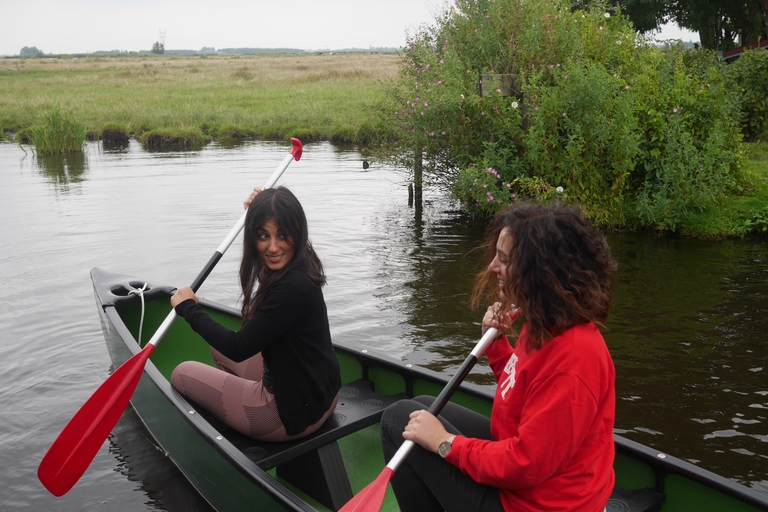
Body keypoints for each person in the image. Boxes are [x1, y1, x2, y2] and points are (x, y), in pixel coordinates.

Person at [380, 202, 617, 512]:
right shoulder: (546, 319)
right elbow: (525, 391)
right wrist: (496, 345)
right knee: (422, 409)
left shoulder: (574, 361)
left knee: (398, 420)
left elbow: (526, 464)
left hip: (538, 504)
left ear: (538, 273)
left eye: (503, 260)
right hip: (533, 480)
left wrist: (445, 444)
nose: (492, 267)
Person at [169, 186, 341, 442]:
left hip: (284, 418)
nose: (273, 248)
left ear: (297, 231)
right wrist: (257, 212)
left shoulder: (291, 288)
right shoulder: (304, 259)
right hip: (324, 397)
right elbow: (274, 261)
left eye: (282, 235)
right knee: (217, 349)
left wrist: (189, 309)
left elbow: (237, 347)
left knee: (181, 373)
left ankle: (230, 429)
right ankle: (233, 406)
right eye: (263, 236)